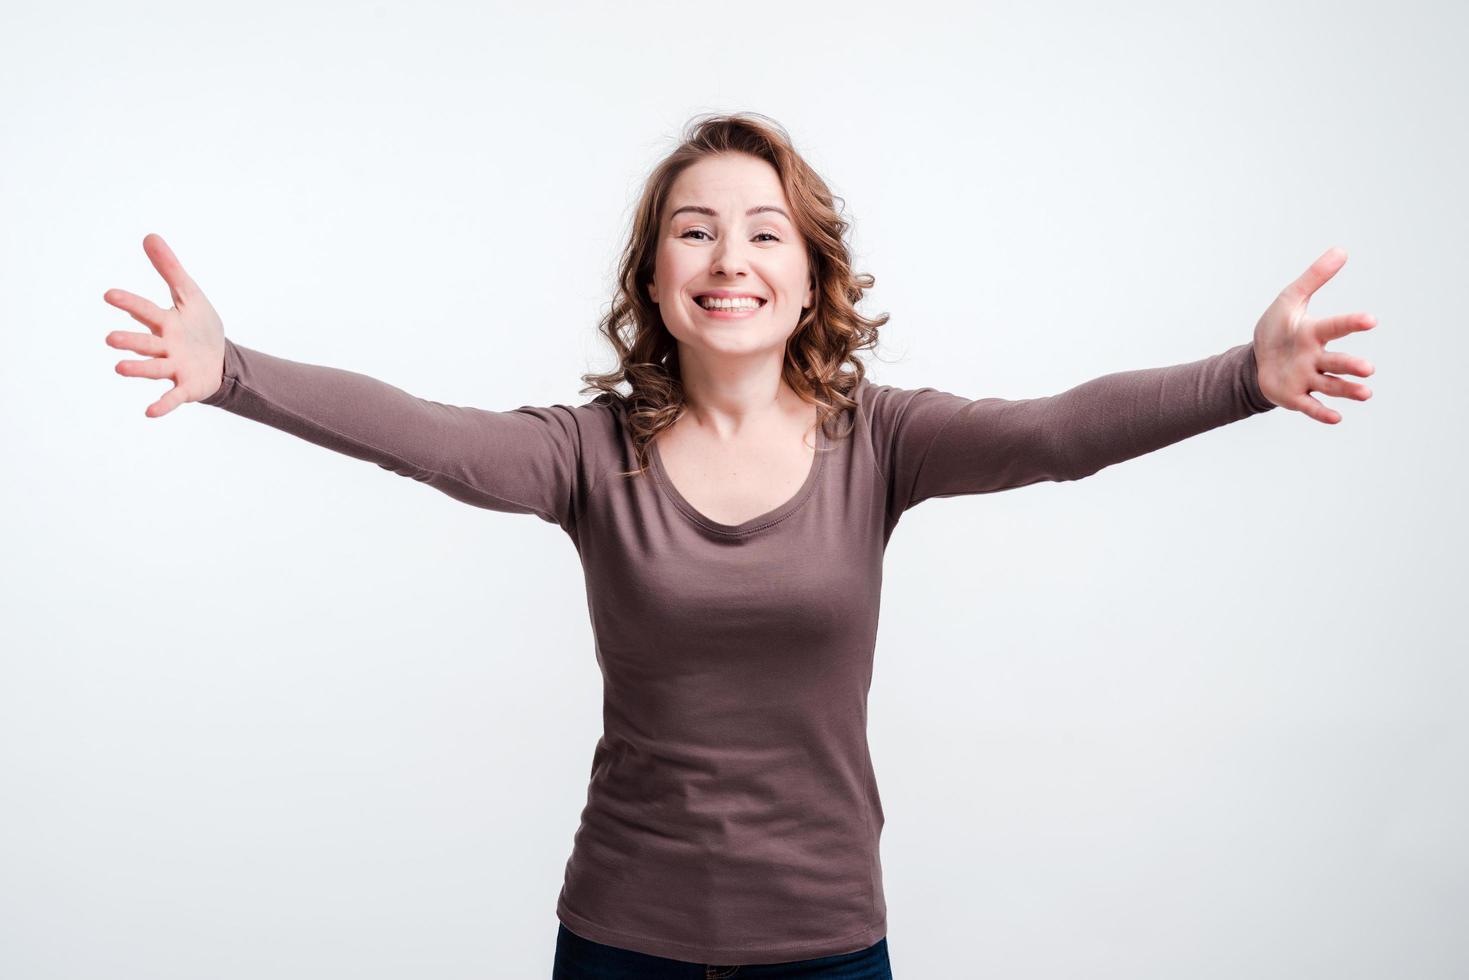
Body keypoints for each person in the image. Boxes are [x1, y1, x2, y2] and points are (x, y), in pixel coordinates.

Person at [102, 112, 1377, 978]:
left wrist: (1239, 377)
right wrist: (233, 373)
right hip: (619, 935)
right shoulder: (588, 452)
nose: (729, 256)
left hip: (825, 942)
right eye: (694, 228)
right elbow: (429, 439)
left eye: (764, 230)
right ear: (654, 274)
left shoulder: (881, 440)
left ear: (809, 274)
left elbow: (1050, 432)